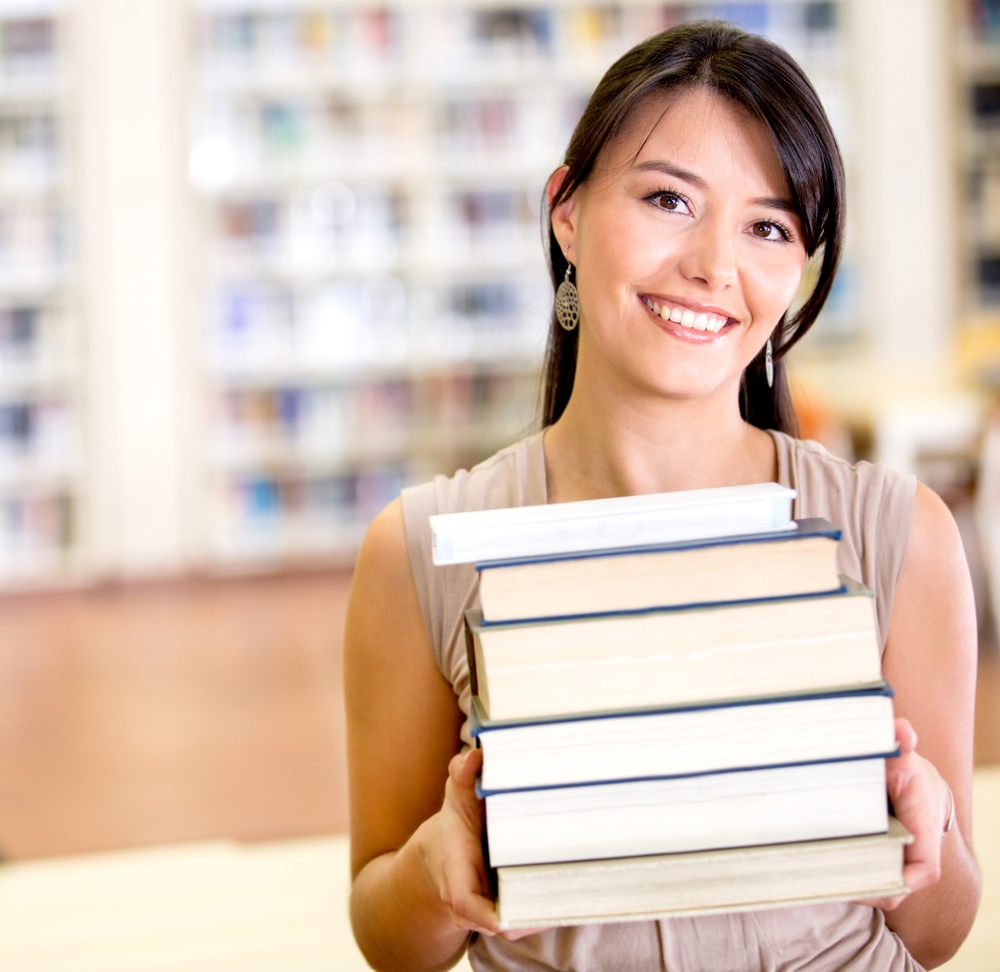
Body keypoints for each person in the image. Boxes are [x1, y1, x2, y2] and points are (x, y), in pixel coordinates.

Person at [344, 20, 981, 972]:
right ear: (566, 209)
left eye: (769, 226)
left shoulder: (900, 535)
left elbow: (945, 931)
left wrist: (923, 845)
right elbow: (388, 938)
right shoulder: (423, 552)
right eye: (668, 199)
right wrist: (437, 876)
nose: (715, 265)